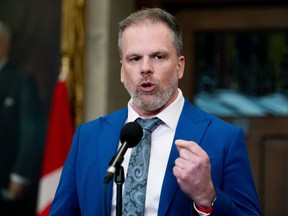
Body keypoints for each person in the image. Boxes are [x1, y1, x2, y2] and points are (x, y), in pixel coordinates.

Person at [50, 8, 261, 216]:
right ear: (122, 71)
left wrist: (208, 197)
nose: (145, 68)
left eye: (158, 56)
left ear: (179, 66)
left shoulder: (224, 138)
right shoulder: (87, 136)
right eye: (134, 59)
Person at [0, 21, 41, 215]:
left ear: (4, 45)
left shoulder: (21, 80)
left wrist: (20, 174)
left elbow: (30, 131)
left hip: (7, 178)